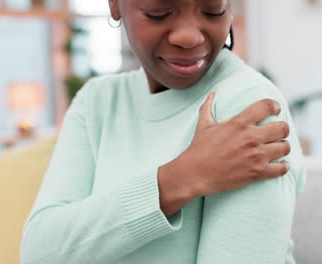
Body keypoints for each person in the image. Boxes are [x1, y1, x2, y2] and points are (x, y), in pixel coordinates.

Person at [20, 0, 306, 263]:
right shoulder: (98, 102)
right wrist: (181, 178)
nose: (189, 36)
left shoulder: (246, 106)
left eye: (213, 9)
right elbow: (39, 252)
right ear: (115, 5)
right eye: (158, 12)